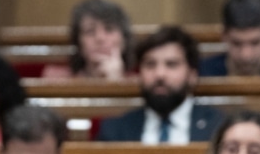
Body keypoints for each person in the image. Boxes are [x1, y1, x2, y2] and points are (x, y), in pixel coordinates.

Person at [96, 26, 224, 144]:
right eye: (150, 64)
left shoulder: (217, 127)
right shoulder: (115, 130)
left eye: (171, 64)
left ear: (192, 75)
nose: (159, 74)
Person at [43, 0, 134, 80]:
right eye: (90, 31)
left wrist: (116, 81)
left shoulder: (140, 82)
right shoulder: (56, 79)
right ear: (78, 42)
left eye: (109, 29)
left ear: (124, 39)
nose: (100, 38)